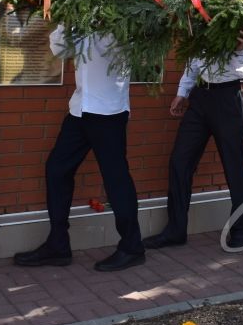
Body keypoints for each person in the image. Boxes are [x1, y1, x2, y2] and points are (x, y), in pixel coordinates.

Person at [143, 0, 243, 250]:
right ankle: (176, 229)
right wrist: (183, 91)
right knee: (180, 161)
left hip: (227, 97)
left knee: (234, 165)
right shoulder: (196, 9)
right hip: (200, 98)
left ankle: (241, 230)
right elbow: (193, 57)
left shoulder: (238, 8)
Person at [13, 25, 145, 271]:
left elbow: (133, 47)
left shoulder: (123, 12)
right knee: (57, 169)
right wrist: (68, 20)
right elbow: (60, 50)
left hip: (108, 110)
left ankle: (132, 247)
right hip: (80, 107)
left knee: (116, 179)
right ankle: (58, 245)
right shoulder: (80, 10)